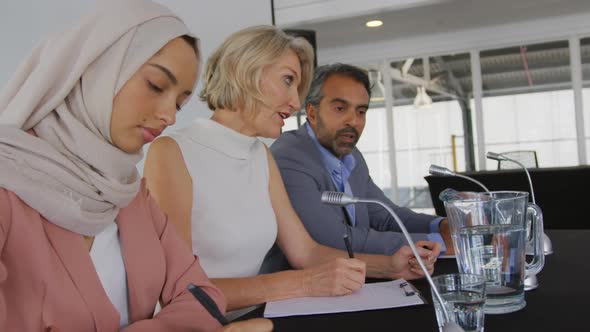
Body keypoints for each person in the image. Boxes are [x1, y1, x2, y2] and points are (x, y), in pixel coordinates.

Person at [0, 1, 271, 331]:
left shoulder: (128, 193)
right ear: (93, 68)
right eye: (156, 85)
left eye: (180, 102)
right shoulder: (7, 190)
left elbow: (201, 293)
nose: (170, 117)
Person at [144, 26, 441, 318]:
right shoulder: (171, 152)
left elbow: (306, 252)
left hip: (261, 318)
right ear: (243, 71)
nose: (296, 103)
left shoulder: (261, 155)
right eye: (287, 80)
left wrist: (388, 266)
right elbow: (182, 291)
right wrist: (303, 283)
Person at [270, 63, 454, 257]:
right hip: (304, 284)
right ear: (312, 113)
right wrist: (437, 242)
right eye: (340, 108)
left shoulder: (352, 156)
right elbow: (335, 239)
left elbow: (385, 216)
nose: (354, 121)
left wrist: (440, 225)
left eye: (361, 111)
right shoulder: (290, 156)